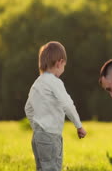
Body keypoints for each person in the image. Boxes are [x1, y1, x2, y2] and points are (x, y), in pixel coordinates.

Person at [25, 41, 87, 171]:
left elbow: (28, 108)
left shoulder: (37, 83)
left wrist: (36, 127)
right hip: (51, 136)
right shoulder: (55, 82)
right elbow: (68, 105)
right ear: (59, 62)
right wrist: (78, 125)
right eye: (64, 65)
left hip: (37, 137)